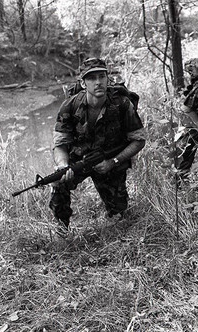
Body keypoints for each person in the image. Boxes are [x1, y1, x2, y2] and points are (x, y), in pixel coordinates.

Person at [49, 57, 146, 231]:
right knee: (59, 181)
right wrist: (63, 166)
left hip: (110, 160)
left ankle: (114, 211)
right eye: (92, 78)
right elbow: (60, 143)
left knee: (119, 215)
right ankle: (62, 227)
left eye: (102, 76)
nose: (98, 82)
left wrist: (113, 162)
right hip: (80, 159)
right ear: (84, 83)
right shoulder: (70, 106)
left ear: (108, 78)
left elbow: (138, 140)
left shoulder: (122, 104)